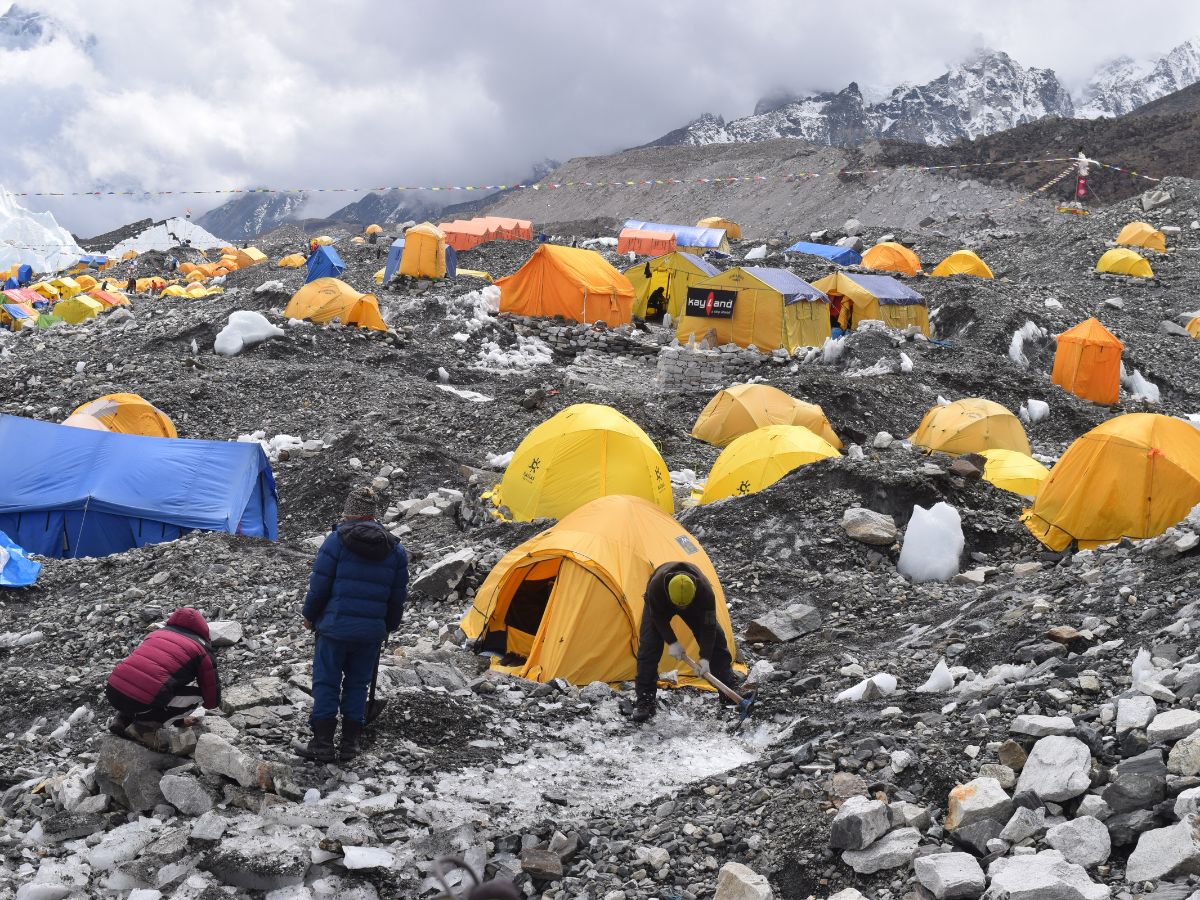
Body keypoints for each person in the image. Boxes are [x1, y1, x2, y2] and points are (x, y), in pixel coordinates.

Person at [300, 485, 408, 762]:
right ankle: (351, 743)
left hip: (335, 628)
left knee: (326, 681)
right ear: (373, 516)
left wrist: (310, 615)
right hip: (370, 632)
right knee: (358, 684)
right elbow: (397, 597)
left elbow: (319, 586)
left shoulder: (336, 541)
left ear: (348, 512)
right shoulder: (395, 550)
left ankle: (322, 743)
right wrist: (388, 627)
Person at [632, 562, 737, 723]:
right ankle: (645, 701)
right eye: (678, 606)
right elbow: (658, 618)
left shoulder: (705, 592)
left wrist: (705, 658)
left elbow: (708, 626)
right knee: (648, 648)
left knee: (717, 641)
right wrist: (672, 642)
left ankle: (729, 691)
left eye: (683, 606)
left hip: (695, 605)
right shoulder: (656, 588)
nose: (680, 609)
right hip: (660, 606)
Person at [105, 607, 220, 736]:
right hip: (144, 700)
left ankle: (122, 718)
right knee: (200, 696)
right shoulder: (201, 650)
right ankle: (148, 726)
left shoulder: (155, 634)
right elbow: (211, 700)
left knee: (142, 683)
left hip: (112, 691)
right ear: (203, 629)